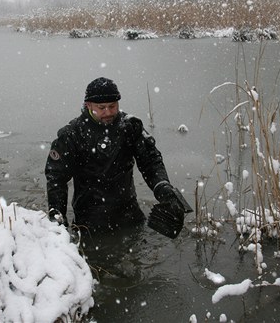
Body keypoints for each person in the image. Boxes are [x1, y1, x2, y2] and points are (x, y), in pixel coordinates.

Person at [45, 77, 192, 238]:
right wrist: (57, 214)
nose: (108, 112)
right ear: (88, 105)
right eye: (101, 108)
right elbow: (56, 177)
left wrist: (163, 188)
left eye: (112, 106)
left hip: (129, 213)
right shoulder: (71, 134)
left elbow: (150, 161)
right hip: (90, 219)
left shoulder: (130, 127)